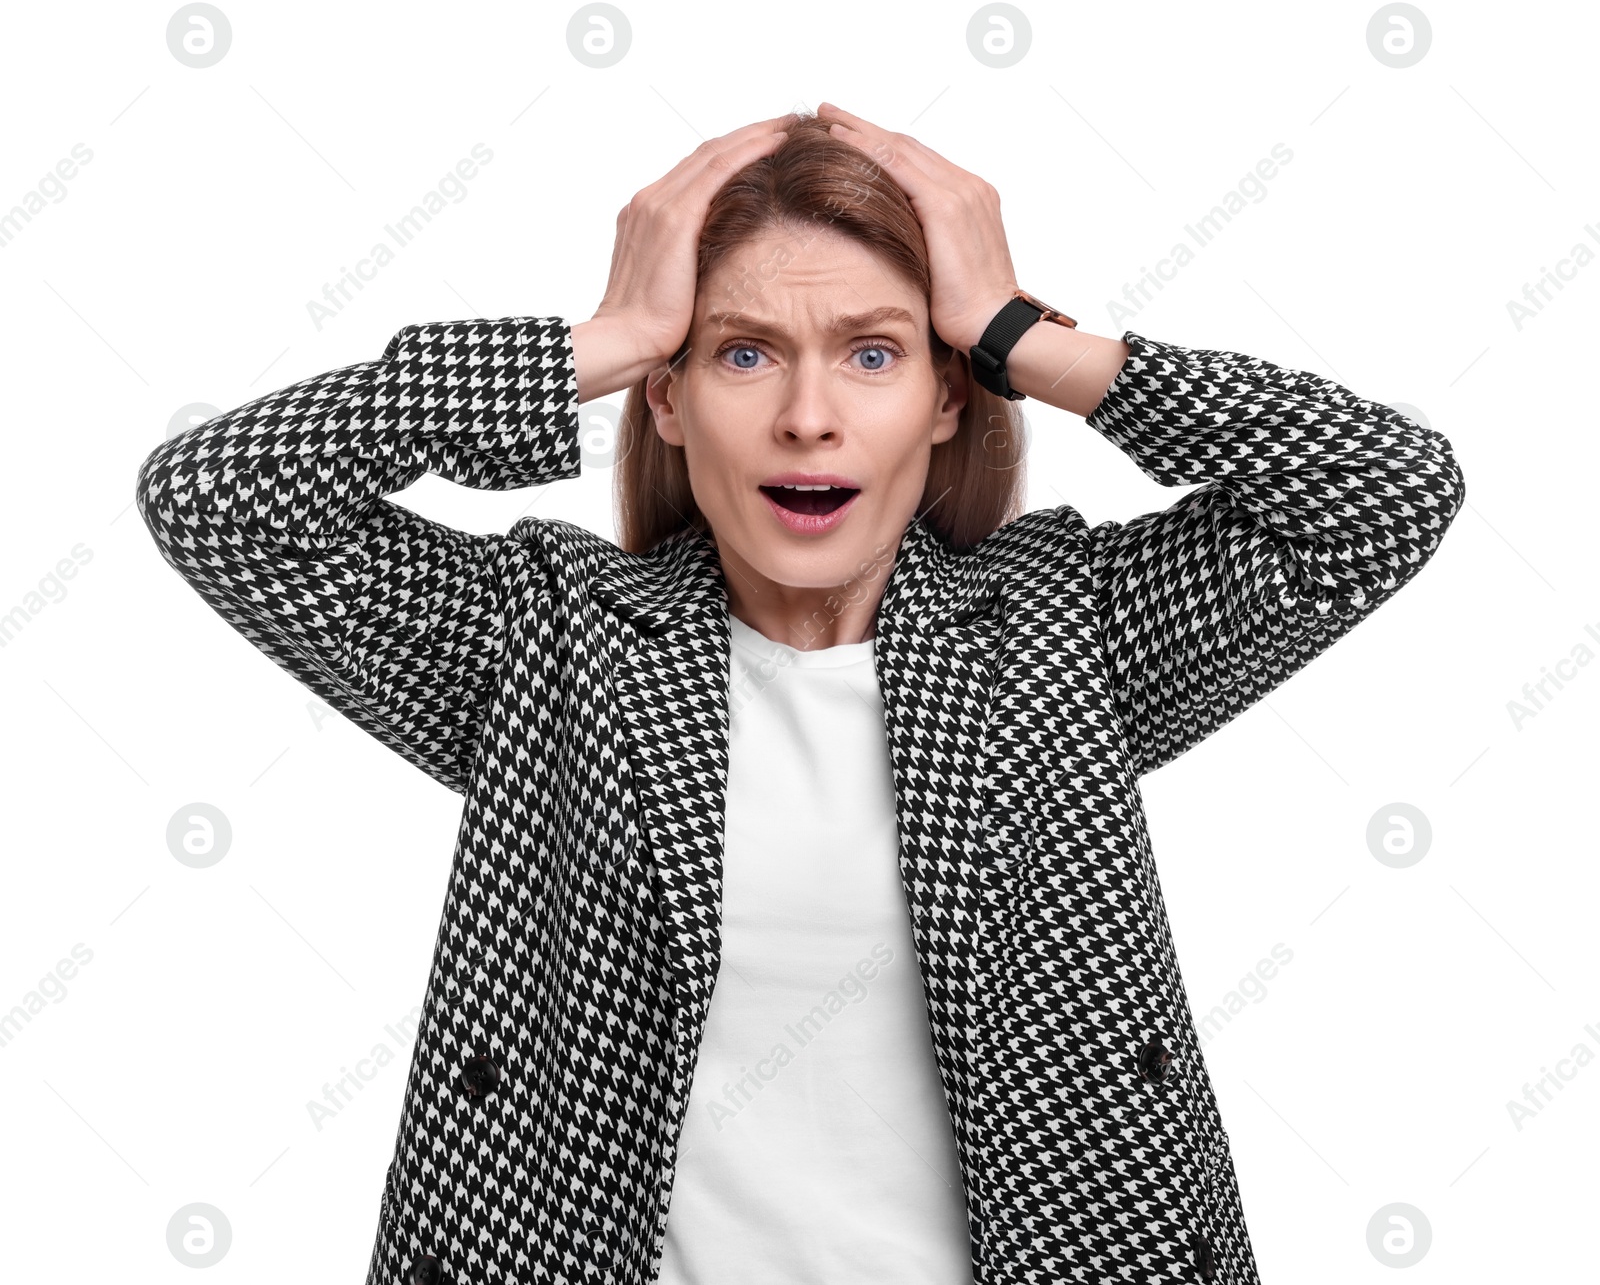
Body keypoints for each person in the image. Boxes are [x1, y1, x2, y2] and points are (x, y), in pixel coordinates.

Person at [136, 105, 1465, 1285]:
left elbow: (1382, 494)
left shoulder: (1064, 631)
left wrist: (1018, 331)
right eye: (743, 355)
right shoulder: (548, 642)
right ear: (668, 400)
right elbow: (220, 501)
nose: (809, 417)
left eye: (875, 355)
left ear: (948, 401)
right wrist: (597, 339)